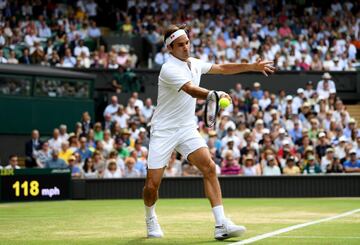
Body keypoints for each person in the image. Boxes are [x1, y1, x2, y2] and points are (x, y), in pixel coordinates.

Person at [143, 24, 275, 240]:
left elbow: (222, 68)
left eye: (187, 42)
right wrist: (213, 94)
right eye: (180, 45)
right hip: (163, 130)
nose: (186, 47)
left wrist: (252, 66)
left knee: (210, 168)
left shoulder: (194, 63)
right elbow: (190, 89)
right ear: (170, 48)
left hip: (186, 128)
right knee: (152, 185)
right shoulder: (168, 69)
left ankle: (221, 224)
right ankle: (150, 216)